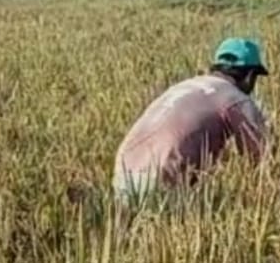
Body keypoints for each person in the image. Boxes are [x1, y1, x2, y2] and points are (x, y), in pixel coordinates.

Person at [112, 37, 270, 206]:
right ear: (250, 76)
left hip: (122, 178)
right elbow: (260, 157)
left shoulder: (185, 86)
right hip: (159, 181)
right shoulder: (235, 98)